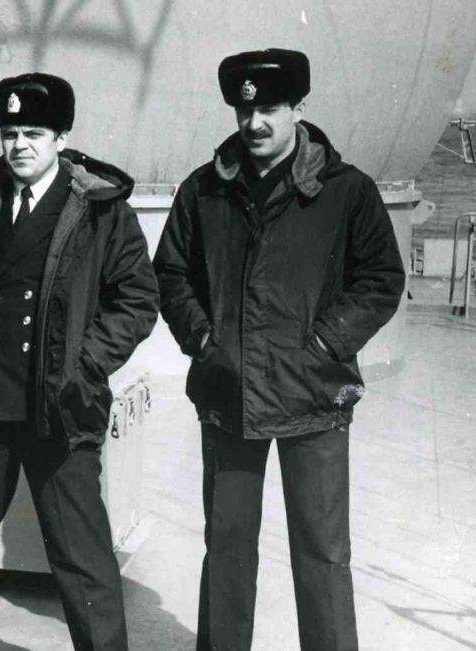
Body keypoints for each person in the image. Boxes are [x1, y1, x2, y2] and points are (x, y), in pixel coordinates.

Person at [153, 49, 405, 651]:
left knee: (322, 554)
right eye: (244, 111)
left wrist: (326, 343)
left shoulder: (347, 191)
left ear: (299, 108)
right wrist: (205, 340)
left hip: (314, 393)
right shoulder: (204, 190)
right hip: (229, 393)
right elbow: (170, 273)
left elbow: (381, 278)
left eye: (269, 109)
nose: (255, 123)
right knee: (228, 549)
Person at [0, 72, 159, 651]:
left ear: (61, 137)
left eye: (34, 132)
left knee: (81, 556)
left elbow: (137, 299)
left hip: (60, 408)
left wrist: (86, 364)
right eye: (10, 133)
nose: (20, 145)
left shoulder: (101, 210)